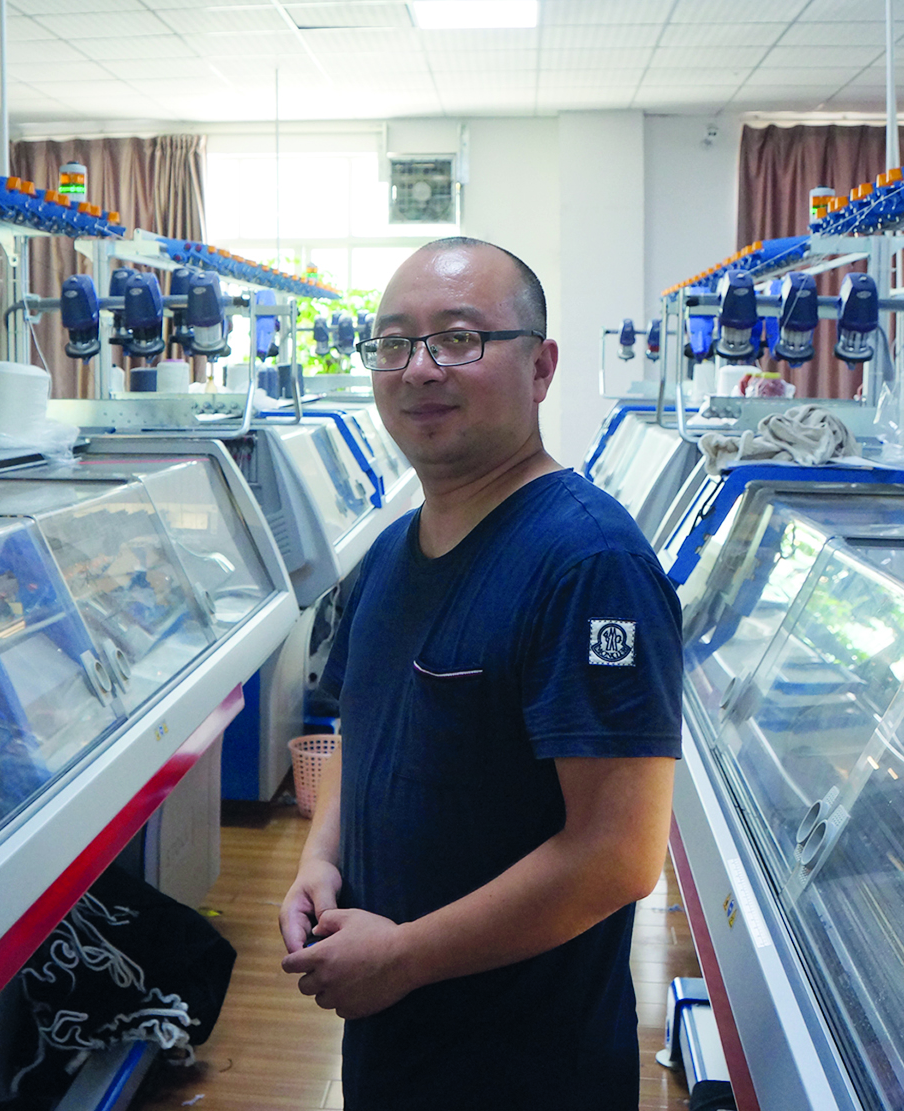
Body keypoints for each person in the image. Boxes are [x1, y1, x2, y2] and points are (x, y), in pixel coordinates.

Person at [278, 237, 682, 1109]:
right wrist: (321, 856)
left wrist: (404, 955)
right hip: (395, 1038)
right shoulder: (390, 554)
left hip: (524, 1061)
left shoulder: (587, 562)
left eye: (459, 338)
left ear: (540, 367)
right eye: (393, 343)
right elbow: (364, 729)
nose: (419, 368)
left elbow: (618, 854)